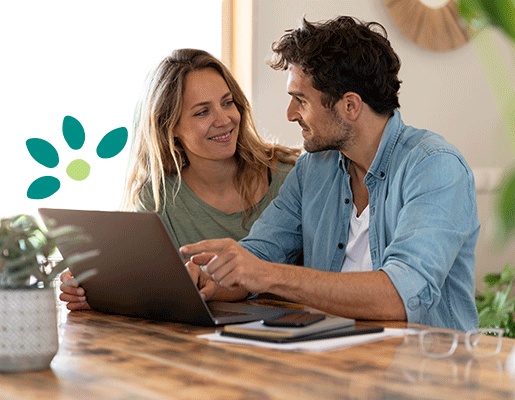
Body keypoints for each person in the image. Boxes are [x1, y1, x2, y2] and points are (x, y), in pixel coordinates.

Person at [180, 17, 481, 331]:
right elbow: (260, 253)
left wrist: (267, 274)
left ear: (350, 105)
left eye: (301, 100)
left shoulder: (434, 167)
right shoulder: (314, 169)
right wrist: (214, 279)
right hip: (332, 360)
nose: (290, 114)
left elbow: (400, 297)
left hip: (424, 370)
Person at [60, 48, 300, 310]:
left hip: (297, 335)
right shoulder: (157, 198)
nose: (224, 120)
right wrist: (97, 292)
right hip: (202, 339)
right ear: (170, 126)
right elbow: (145, 285)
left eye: (227, 102)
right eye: (202, 112)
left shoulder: (291, 176)